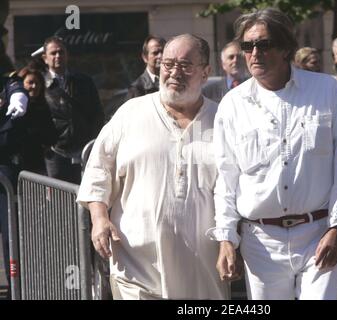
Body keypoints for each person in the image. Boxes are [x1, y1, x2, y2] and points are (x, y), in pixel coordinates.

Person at [207, 8, 337, 300]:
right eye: (247, 46)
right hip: (260, 242)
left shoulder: (326, 89)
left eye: (264, 44)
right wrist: (226, 238)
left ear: (286, 47)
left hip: (318, 233)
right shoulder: (232, 105)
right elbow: (226, 178)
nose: (254, 53)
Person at [76, 34, 229, 300]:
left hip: (203, 269)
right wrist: (99, 218)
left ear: (206, 73)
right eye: (168, 64)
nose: (174, 73)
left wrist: (231, 242)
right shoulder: (130, 113)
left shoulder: (225, 119)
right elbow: (99, 169)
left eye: (185, 65)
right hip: (136, 265)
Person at [42, 36, 104, 184]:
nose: (58, 56)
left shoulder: (84, 81)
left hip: (84, 151)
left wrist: (93, 141)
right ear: (45, 58)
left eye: (61, 52)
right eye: (53, 53)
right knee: (59, 200)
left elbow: (97, 113)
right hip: (55, 153)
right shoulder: (40, 85)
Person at [0, 69, 28, 295]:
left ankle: (14, 290)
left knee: (11, 238)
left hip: (4, 175)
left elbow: (15, 85)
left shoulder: (8, 82)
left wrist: (18, 94)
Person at [17, 66, 57, 174]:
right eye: (30, 82)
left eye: (37, 83)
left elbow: (51, 137)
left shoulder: (44, 108)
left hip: (38, 164)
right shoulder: (14, 110)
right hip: (17, 164)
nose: (34, 86)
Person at [125, 35, 166, 101]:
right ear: (145, 57)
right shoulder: (136, 89)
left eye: (163, 52)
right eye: (155, 53)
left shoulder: (174, 82)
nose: (160, 56)